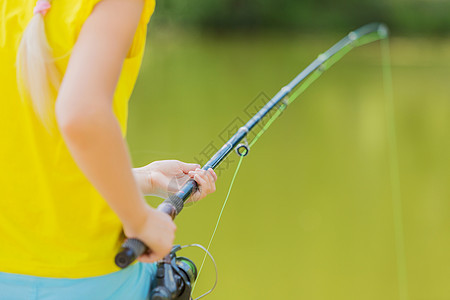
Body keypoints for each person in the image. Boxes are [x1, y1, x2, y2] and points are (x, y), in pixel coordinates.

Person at [0, 0, 217, 299]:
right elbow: (80, 114)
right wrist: (140, 220)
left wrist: (146, 177)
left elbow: (30, 158)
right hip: (93, 275)